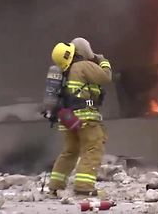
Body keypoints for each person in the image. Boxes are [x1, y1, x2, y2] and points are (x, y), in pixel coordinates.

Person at [48, 37, 112, 196]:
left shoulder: (62, 71)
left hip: (67, 118)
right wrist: (102, 60)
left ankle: (55, 186)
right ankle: (84, 187)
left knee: (70, 151)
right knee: (93, 148)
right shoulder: (83, 66)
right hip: (85, 117)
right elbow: (106, 76)